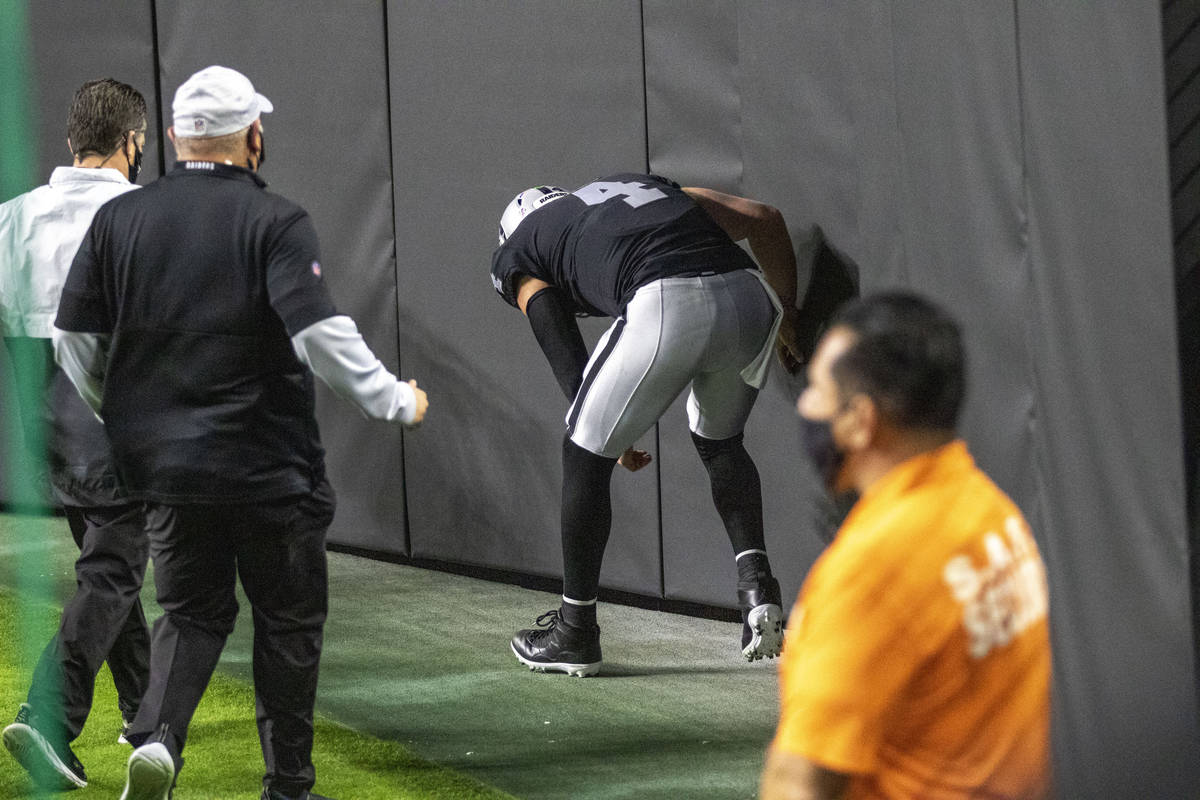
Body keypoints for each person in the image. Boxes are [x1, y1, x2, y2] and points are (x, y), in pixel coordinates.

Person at [52, 65, 428, 800]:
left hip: (168, 472)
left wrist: (125, 414)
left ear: (168, 138)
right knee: (287, 625)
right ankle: (287, 785)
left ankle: (158, 736)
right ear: (254, 136)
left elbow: (74, 339)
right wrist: (393, 400)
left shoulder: (119, 220)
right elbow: (318, 331)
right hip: (269, 470)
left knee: (190, 612)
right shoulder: (275, 221)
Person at [491, 174, 857, 676]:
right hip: (750, 294)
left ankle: (575, 631)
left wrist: (604, 433)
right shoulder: (638, 187)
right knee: (720, 440)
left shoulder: (521, 247)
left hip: (664, 296)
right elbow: (764, 219)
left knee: (582, 450)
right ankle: (757, 589)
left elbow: (554, 328)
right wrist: (788, 310)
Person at [761, 292, 1050, 800]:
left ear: (859, 421)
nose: (805, 406)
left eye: (817, 391)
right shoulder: (990, 512)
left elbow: (799, 782)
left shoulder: (871, 571)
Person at [0, 77, 150, 791]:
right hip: (117, 417)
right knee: (114, 569)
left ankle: (145, 714)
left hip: (46, 427)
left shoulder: (11, 219)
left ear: (71, 141)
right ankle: (50, 715)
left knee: (107, 566)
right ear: (132, 143)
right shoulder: (143, 216)